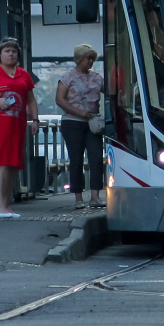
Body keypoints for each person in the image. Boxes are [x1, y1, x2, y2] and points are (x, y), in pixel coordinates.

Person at [0, 38, 38, 219]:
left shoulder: (23, 74)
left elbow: (31, 99)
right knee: (2, 162)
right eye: (7, 51)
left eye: (14, 51)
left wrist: (35, 119)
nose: (11, 54)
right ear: (0, 54)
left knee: (13, 164)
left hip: (17, 124)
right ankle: (0, 206)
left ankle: (7, 205)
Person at [56, 43, 105, 209]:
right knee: (76, 159)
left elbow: (110, 93)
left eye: (92, 59)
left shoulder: (97, 78)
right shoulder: (67, 77)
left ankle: (95, 196)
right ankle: (78, 198)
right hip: (72, 123)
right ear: (79, 59)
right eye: (87, 58)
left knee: (96, 158)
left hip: (93, 123)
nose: (90, 61)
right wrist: (79, 112)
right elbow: (60, 99)